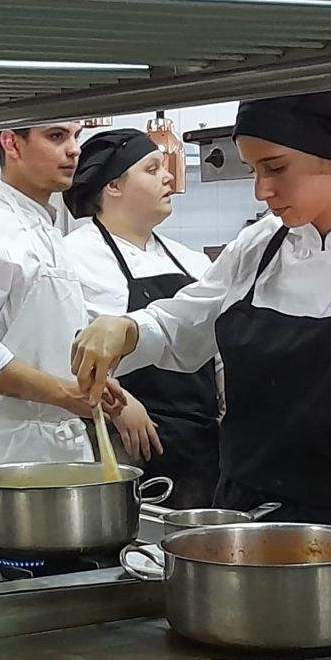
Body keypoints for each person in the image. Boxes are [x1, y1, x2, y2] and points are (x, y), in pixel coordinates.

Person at [72, 90, 331, 532]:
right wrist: (127, 328)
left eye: (276, 168)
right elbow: (186, 323)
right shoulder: (260, 245)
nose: (262, 190)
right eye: (253, 170)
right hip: (241, 514)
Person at [0, 123, 145, 472]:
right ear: (11, 143)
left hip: (65, 441)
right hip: (5, 448)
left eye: (76, 137)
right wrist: (63, 393)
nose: (74, 150)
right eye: (57, 137)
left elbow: (44, 335)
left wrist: (91, 384)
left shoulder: (49, 228)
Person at [62, 129, 220, 508]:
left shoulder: (192, 260)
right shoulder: (71, 259)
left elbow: (213, 343)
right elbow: (58, 349)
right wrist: (117, 401)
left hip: (199, 438)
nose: (169, 178)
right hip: (127, 441)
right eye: (152, 169)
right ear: (113, 186)